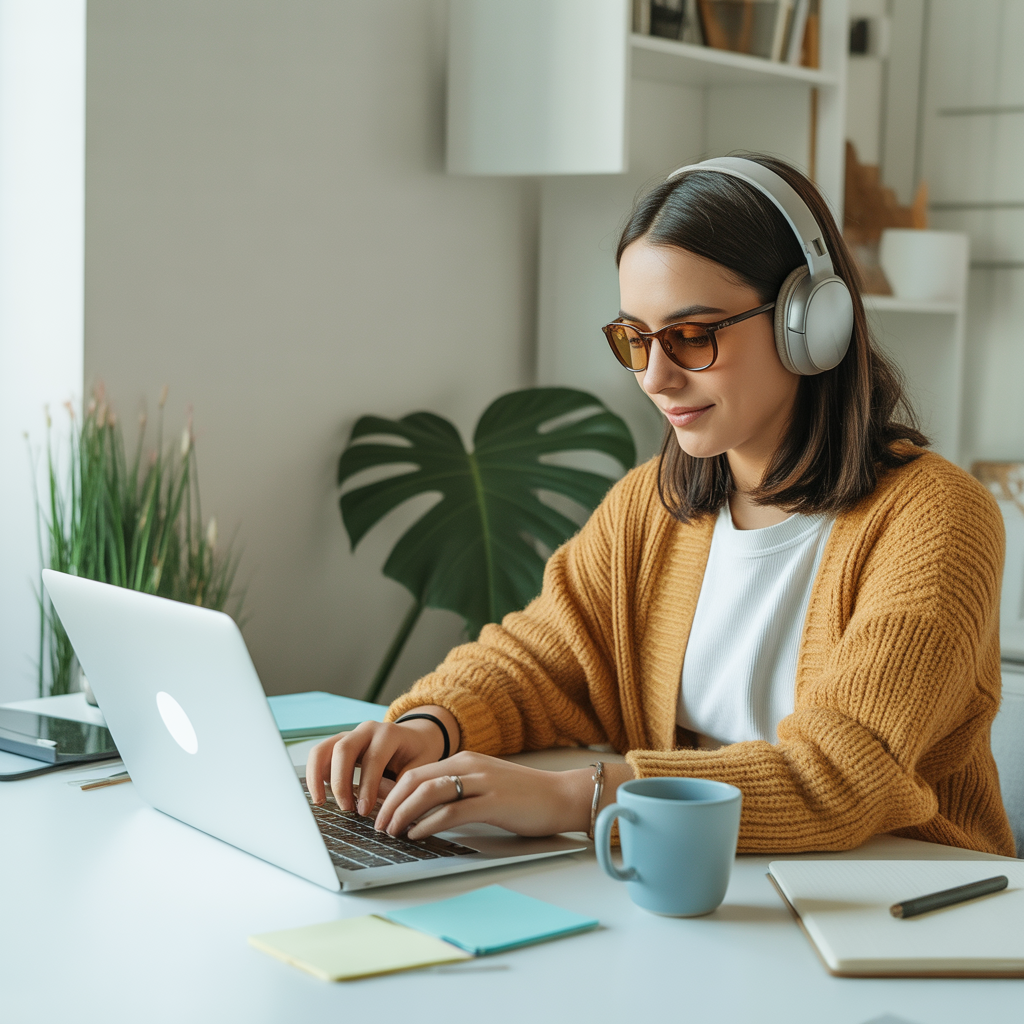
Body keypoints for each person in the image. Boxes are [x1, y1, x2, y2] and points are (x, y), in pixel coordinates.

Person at [307, 154, 1014, 857]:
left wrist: (574, 797)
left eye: (691, 336)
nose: (655, 376)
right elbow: (543, 657)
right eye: (634, 339)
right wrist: (433, 726)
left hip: (902, 904)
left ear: (810, 323)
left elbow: (838, 776)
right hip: (706, 887)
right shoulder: (652, 505)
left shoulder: (936, 519)